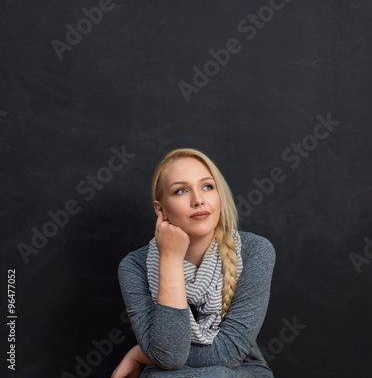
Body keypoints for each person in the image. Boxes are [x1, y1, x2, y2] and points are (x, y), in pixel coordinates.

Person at [112, 148, 276, 378]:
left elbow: (228, 354)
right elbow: (169, 357)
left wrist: (140, 354)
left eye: (207, 186)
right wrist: (170, 259)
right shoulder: (134, 267)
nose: (198, 200)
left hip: (241, 371)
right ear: (161, 209)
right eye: (181, 191)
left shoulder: (255, 251)